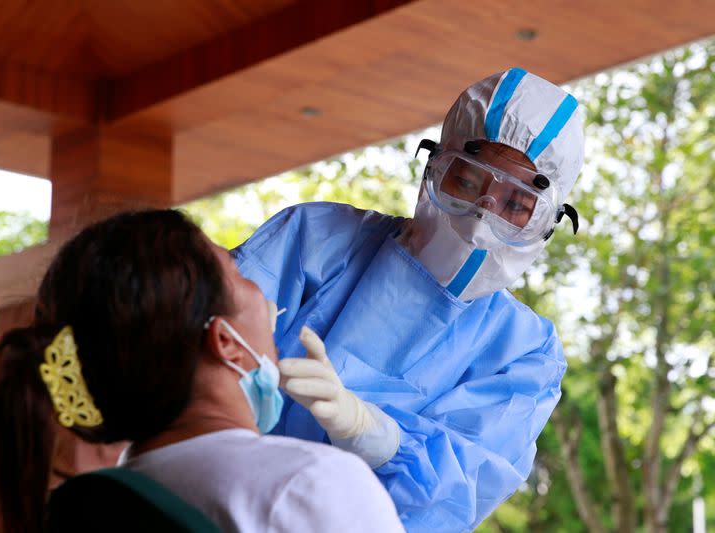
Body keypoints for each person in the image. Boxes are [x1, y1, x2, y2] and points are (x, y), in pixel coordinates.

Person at [234, 67, 585, 531]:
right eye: (468, 182)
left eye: (516, 205)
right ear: (435, 167)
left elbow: (454, 493)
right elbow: (196, 339)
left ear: (547, 221)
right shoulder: (313, 238)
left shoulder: (525, 354)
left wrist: (373, 433)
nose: (482, 219)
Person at [0, 210, 404, 533]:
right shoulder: (308, 484)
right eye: (238, 273)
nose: (264, 293)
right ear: (225, 341)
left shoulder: (93, 505)